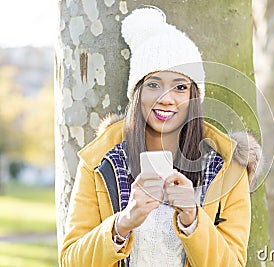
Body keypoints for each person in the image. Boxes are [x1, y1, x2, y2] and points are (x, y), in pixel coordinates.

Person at [60, 7, 261, 267]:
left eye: (180, 87)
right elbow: (70, 261)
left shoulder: (228, 169)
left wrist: (192, 218)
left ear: (193, 97)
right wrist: (122, 225)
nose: (166, 99)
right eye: (154, 84)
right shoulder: (100, 162)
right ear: (138, 92)